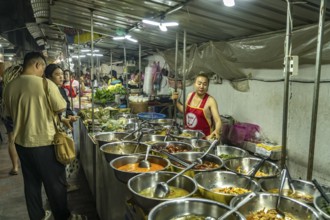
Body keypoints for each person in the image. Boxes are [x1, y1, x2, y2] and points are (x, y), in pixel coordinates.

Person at [3, 52, 70, 220]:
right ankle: (62, 216)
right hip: (45, 143)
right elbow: (61, 108)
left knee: (31, 183)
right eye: (43, 68)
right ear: (38, 65)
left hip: (22, 144)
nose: (43, 72)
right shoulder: (46, 84)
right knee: (55, 184)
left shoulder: (10, 86)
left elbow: (8, 114)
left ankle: (37, 216)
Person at [45, 64, 81, 193]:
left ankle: (65, 183)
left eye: (62, 74)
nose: (61, 77)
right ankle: (61, 186)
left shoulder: (61, 90)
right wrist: (62, 119)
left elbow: (67, 107)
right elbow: (50, 112)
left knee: (68, 153)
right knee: (61, 155)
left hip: (65, 126)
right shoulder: (47, 90)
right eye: (57, 74)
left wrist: (71, 115)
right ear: (48, 76)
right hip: (56, 128)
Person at [172, 73, 222, 140]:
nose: (201, 86)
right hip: (189, 137)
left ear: (207, 86)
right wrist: (175, 102)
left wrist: (216, 131)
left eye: (204, 84)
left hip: (204, 140)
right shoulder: (190, 96)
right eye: (199, 83)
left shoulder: (210, 101)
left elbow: (218, 120)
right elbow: (184, 110)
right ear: (194, 84)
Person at [1, 65, 23, 175]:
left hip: (8, 115)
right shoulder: (21, 84)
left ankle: (15, 167)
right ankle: (24, 164)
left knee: (12, 141)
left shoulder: (5, 85)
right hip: (20, 114)